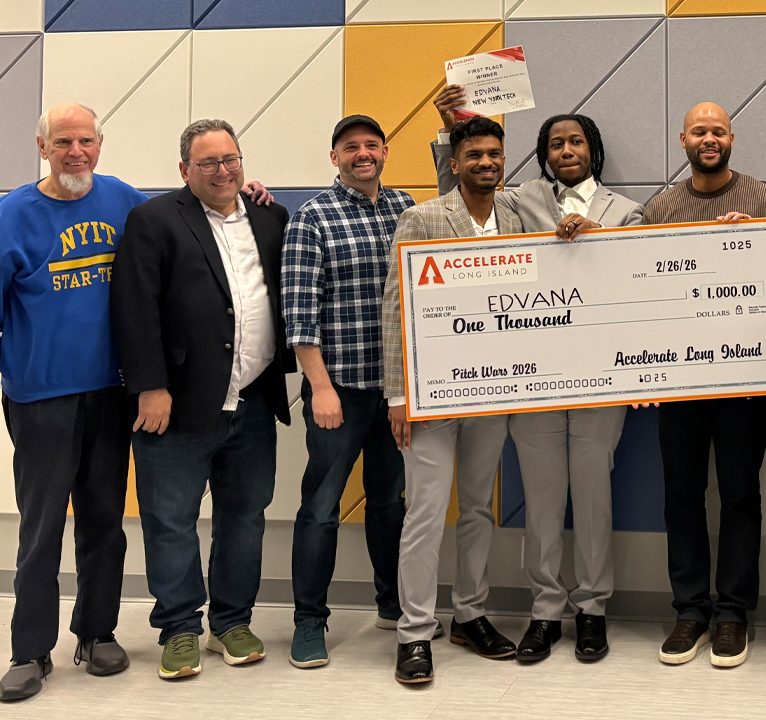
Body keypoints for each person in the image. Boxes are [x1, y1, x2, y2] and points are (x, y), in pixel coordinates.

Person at [0, 103, 273, 702]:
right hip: (41, 398)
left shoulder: (126, 203)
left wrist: (246, 191)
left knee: (104, 524)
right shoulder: (12, 214)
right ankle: (30, 651)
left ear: (101, 145)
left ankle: (96, 633)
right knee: (41, 528)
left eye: (87, 141)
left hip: (111, 395)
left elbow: (193, 209)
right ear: (42, 146)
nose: (77, 152)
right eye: (64, 141)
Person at [431, 85, 644, 662]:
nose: (566, 149)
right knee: (542, 500)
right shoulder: (519, 201)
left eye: (576, 140)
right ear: (544, 154)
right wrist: (457, 119)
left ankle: (593, 609)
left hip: (603, 378)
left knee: (595, 497)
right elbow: (457, 191)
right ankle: (546, 611)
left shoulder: (628, 212)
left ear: (591, 150)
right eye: (554, 143)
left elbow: (641, 288)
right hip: (534, 377)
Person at [111, 119, 294, 680]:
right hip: (177, 406)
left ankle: (232, 623)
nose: (223, 170)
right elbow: (133, 308)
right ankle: (180, 629)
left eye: (231, 159)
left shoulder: (270, 216)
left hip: (255, 400)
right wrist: (150, 386)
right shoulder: (153, 221)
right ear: (185, 170)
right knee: (171, 521)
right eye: (209, 162)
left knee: (245, 517)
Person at [642, 102, 766, 669]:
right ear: (683, 138)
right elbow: (632, 287)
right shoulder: (660, 207)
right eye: (699, 131)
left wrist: (753, 241)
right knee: (680, 498)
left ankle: (732, 614)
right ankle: (690, 610)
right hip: (679, 384)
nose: (709, 138)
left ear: (732, 137)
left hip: (744, 382)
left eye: (718, 131)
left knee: (740, 497)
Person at [382, 117, 524, 684]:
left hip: (494, 386)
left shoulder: (515, 213)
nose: (486, 162)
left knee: (479, 508)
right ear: (456, 161)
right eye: (475, 155)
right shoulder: (423, 217)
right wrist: (399, 395)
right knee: (423, 513)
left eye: (495, 154)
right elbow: (396, 307)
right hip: (433, 392)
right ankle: (414, 632)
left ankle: (470, 613)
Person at [281, 115, 423, 668]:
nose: (362, 154)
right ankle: (309, 623)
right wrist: (319, 387)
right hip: (338, 391)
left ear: (385, 151)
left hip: (395, 392)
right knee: (321, 507)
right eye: (350, 147)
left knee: (390, 502)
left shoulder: (406, 208)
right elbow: (300, 315)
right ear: (334, 156)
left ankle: (392, 605)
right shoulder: (312, 218)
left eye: (370, 145)